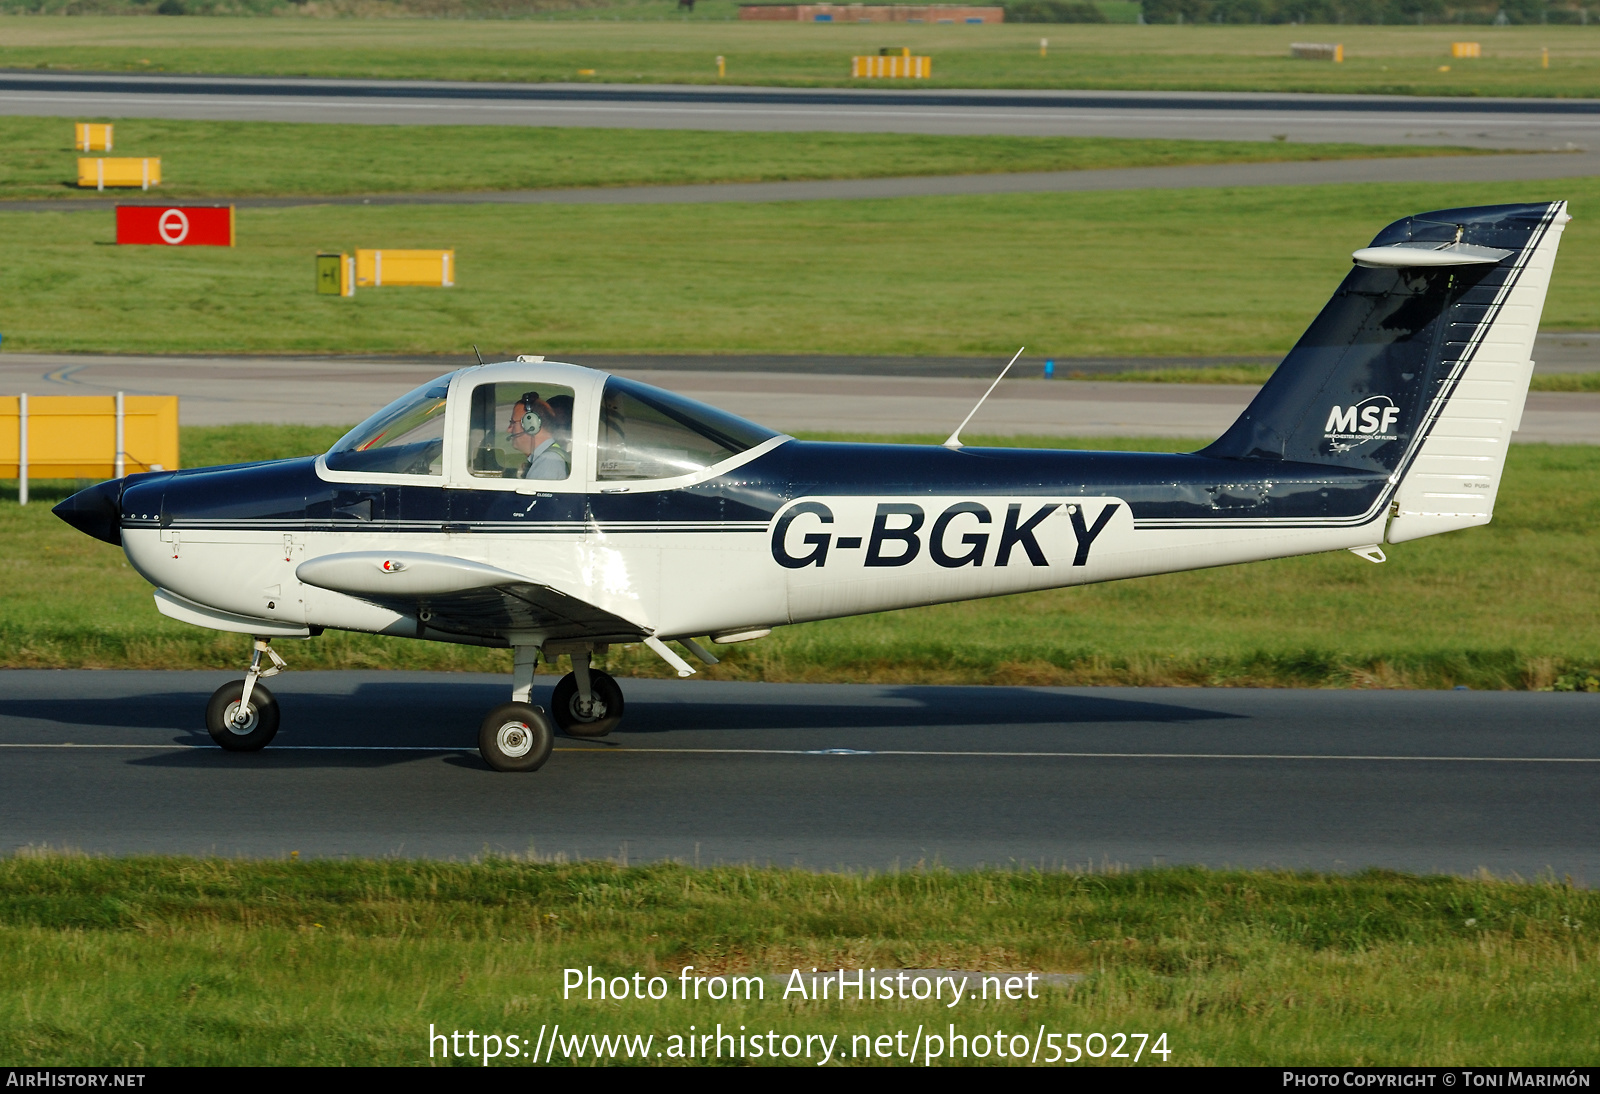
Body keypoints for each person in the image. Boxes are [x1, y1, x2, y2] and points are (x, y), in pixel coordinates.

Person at [507, 391, 569, 480]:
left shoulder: (548, 462)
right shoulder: (548, 458)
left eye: (513, 423)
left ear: (531, 425)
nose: (508, 430)